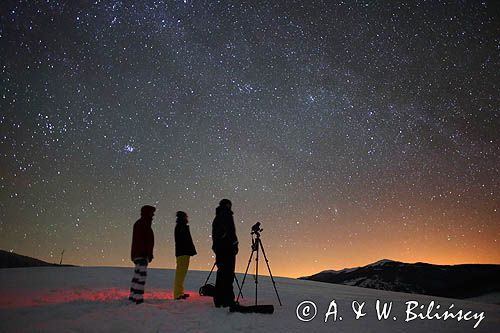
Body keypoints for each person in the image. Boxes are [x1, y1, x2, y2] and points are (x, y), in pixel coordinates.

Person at [212, 199, 239, 307]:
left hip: (219, 249)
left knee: (221, 273)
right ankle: (228, 300)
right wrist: (234, 244)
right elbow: (230, 231)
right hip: (227, 249)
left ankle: (218, 300)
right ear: (227, 205)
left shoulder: (217, 217)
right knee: (228, 274)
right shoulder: (226, 214)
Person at [129, 205, 155, 304]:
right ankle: (138, 298)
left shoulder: (141, 223)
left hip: (138, 254)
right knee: (141, 276)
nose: (153, 215)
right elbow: (143, 241)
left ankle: (133, 296)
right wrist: (147, 253)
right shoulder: (143, 224)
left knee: (137, 275)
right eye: (152, 213)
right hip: (141, 254)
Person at [173, 211, 197, 300]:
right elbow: (185, 240)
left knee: (181, 274)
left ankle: (180, 293)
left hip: (183, 253)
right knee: (180, 274)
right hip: (183, 253)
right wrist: (191, 250)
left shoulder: (180, 226)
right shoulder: (181, 226)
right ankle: (177, 295)